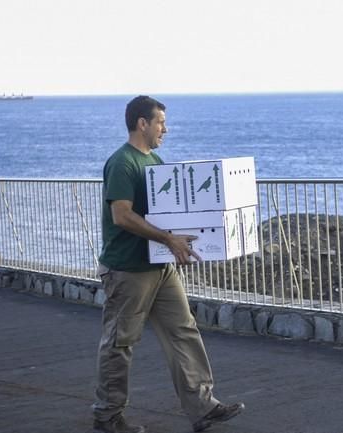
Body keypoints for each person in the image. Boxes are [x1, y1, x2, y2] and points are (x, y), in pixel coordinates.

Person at [93, 95, 244, 433]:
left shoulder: (155, 160)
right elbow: (122, 215)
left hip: (160, 266)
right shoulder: (123, 162)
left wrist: (182, 244)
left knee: (184, 331)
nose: (166, 128)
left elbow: (168, 212)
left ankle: (203, 407)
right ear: (142, 123)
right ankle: (107, 417)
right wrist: (168, 240)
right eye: (160, 122)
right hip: (128, 269)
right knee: (120, 343)